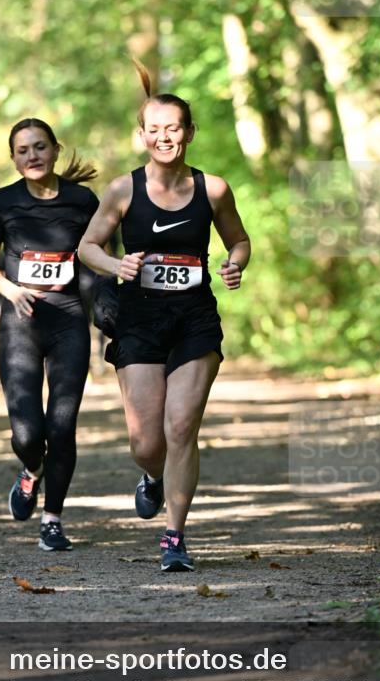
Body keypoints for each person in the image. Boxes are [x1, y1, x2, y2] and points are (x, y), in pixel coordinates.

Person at [78, 61, 251, 572]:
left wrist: (234, 264)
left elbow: (238, 240)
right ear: (142, 135)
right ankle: (151, 477)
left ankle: (174, 537)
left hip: (195, 318)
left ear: (189, 132)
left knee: (181, 427)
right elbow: (88, 246)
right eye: (154, 130)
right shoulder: (122, 190)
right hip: (138, 319)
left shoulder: (212, 189)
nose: (164, 137)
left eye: (173, 128)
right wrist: (118, 263)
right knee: (147, 442)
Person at [0, 118, 98, 552]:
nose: (32, 155)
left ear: (55, 149)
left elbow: (100, 256)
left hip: (68, 321)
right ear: (13, 158)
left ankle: (52, 519)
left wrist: (106, 302)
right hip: (21, 323)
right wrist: (12, 291)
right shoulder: (2, 201)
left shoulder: (83, 200)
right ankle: (30, 471)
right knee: (28, 435)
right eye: (23, 150)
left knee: (62, 428)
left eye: (40, 147)